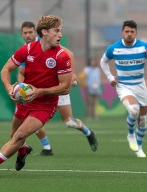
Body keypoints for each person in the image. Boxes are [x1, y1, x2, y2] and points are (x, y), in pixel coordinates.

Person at [0, 15, 72, 178]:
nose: (60, 35)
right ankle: (23, 150)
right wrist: (9, 87)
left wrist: (40, 91)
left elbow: (65, 88)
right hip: (25, 101)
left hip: (45, 106)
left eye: (61, 31)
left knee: (20, 135)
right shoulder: (27, 50)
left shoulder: (61, 56)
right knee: (14, 135)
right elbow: (5, 70)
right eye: (56, 31)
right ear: (44, 32)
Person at [18, 21, 98, 155]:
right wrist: (20, 87)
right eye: (25, 33)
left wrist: (71, 75)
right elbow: (21, 71)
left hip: (57, 88)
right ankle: (47, 148)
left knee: (69, 122)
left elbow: (69, 54)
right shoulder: (26, 49)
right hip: (39, 91)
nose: (28, 35)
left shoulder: (48, 42)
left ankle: (88, 132)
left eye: (30, 32)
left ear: (37, 32)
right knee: (31, 119)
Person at [100, 20, 147, 158]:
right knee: (134, 110)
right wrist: (110, 77)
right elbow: (103, 61)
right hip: (124, 86)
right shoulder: (113, 48)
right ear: (122, 33)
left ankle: (139, 147)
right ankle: (130, 134)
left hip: (140, 86)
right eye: (127, 31)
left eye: (132, 32)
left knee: (143, 120)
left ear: (136, 33)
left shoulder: (144, 47)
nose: (129, 34)